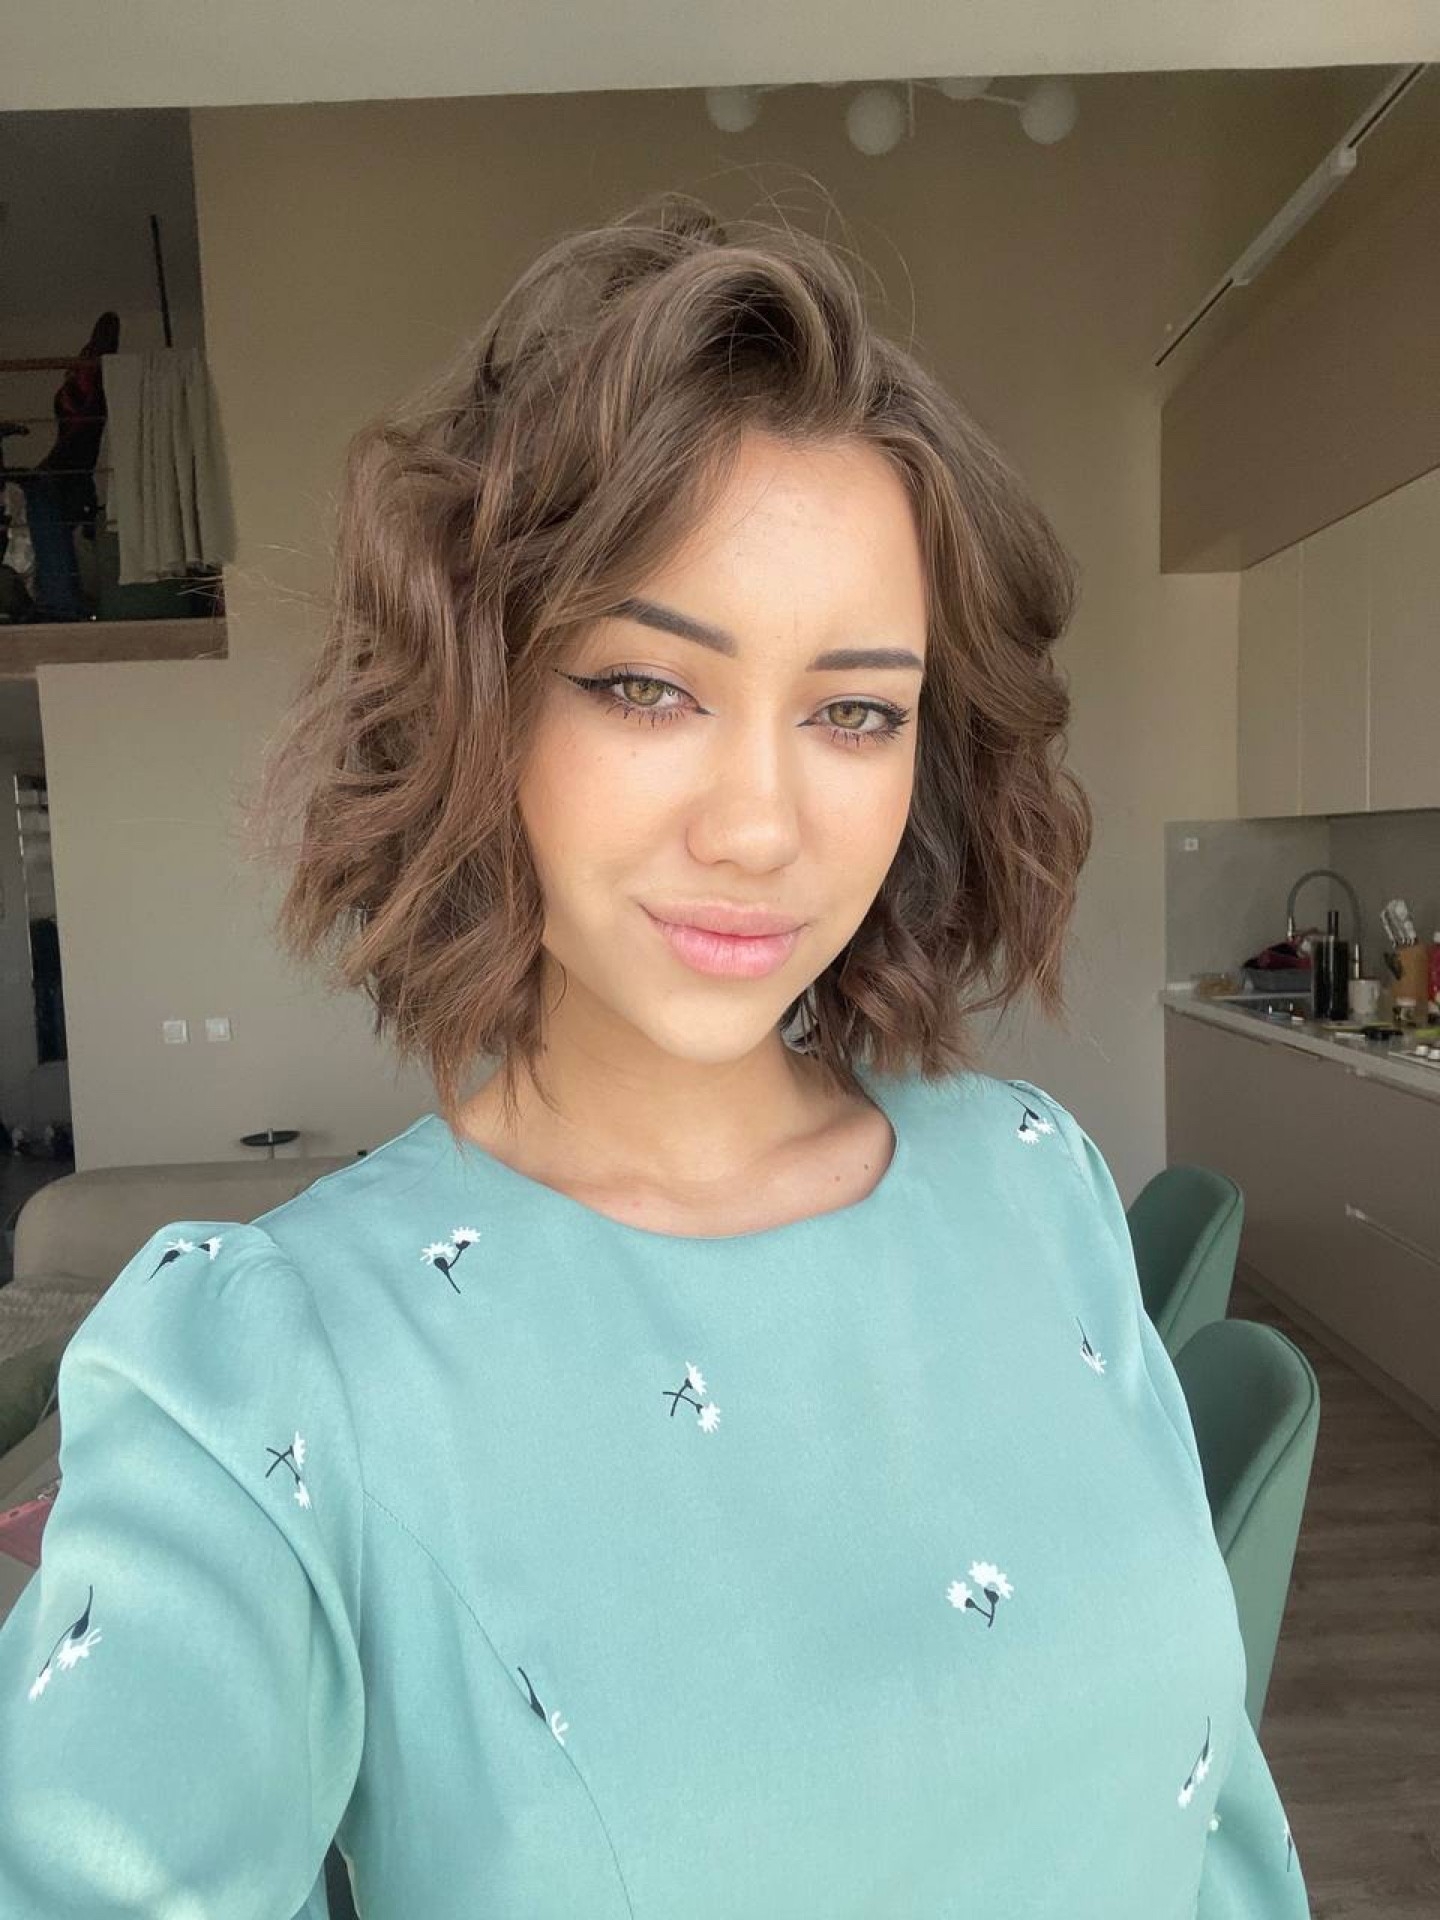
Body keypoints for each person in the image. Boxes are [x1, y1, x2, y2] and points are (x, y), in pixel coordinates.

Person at [0, 192, 1312, 1918]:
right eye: (646, 687)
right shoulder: (267, 1379)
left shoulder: (1035, 1181)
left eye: (855, 711)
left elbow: (1217, 1836)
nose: (760, 826)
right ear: (481, 699)